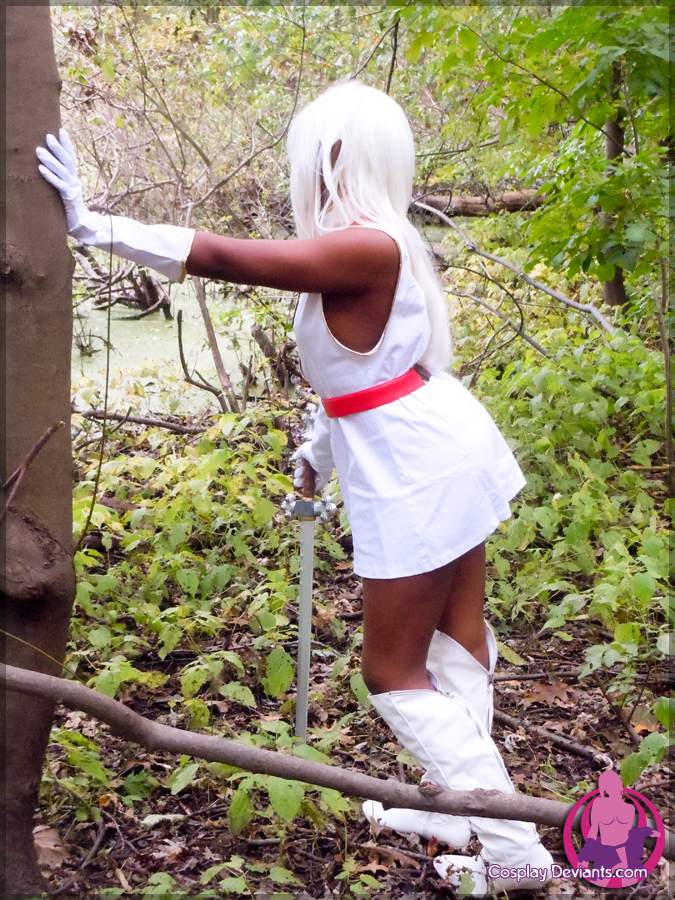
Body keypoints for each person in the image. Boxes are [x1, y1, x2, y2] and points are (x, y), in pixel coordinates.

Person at [37, 79, 553, 895]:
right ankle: (467, 812)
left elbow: (226, 258)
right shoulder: (380, 241)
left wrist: (93, 224)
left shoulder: (366, 247)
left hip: (420, 467)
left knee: (391, 671)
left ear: (337, 159)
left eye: (315, 155)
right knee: (454, 642)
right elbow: (359, 377)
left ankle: (514, 849)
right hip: (435, 447)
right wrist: (315, 453)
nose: (306, 171)